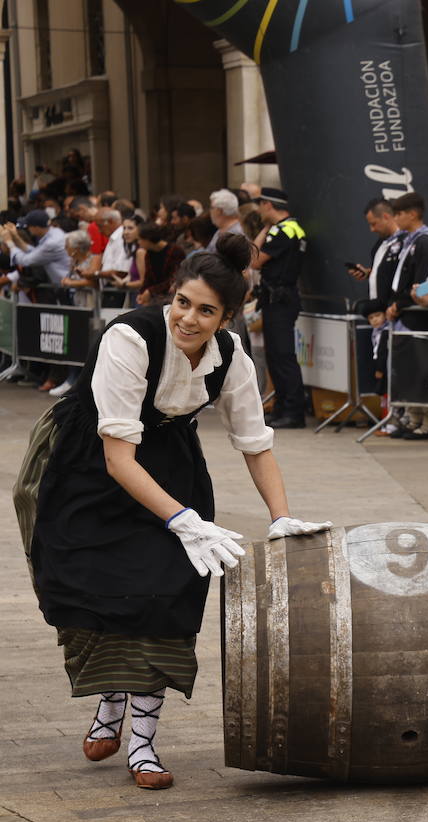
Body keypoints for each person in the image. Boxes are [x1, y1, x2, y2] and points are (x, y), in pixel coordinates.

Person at [19, 234, 330, 790]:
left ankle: (142, 743)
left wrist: (280, 516)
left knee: (165, 596)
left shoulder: (231, 354)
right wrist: (182, 521)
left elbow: (255, 444)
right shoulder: (129, 338)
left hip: (171, 466)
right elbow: (118, 459)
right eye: (183, 302)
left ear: (226, 317)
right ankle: (110, 702)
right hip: (91, 463)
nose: (189, 318)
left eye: (206, 311)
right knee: (90, 589)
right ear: (172, 293)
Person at [250, 188, 308, 429]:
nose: (259, 210)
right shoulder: (290, 228)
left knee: (282, 356)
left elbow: (254, 261)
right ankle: (282, 408)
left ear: (268, 205)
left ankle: (293, 412)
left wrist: (264, 230)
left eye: (260, 205)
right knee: (275, 356)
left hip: (280, 300)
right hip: (278, 298)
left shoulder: (282, 230)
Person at [132, 223, 188, 307]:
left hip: (171, 298)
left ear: (147, 239)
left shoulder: (175, 252)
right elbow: (148, 277)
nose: (138, 243)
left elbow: (174, 279)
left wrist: (150, 291)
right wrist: (142, 293)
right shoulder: (149, 253)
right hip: (155, 298)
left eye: (139, 239)